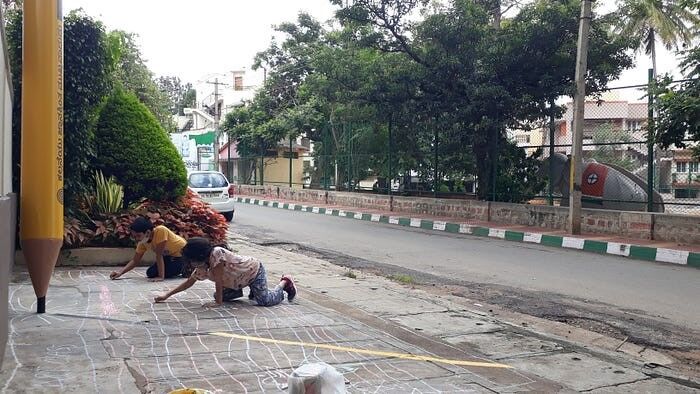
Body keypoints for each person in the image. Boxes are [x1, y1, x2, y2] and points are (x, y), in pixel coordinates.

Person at [154, 237, 297, 307]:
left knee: (264, 301)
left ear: (200, 256)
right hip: (238, 281)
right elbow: (188, 283)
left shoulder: (216, 254)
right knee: (217, 294)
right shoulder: (202, 267)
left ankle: (285, 283)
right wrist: (166, 295)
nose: (191, 264)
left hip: (253, 272)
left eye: (191, 260)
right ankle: (247, 290)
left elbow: (219, 279)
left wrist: (218, 302)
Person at [110, 217, 186, 281]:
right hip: (168, 256)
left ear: (148, 232)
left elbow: (159, 255)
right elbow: (135, 260)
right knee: (150, 273)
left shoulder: (160, 230)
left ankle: (187, 267)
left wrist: (161, 277)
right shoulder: (142, 242)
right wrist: (120, 272)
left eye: (138, 236)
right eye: (134, 236)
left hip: (182, 254)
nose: (136, 239)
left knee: (169, 271)